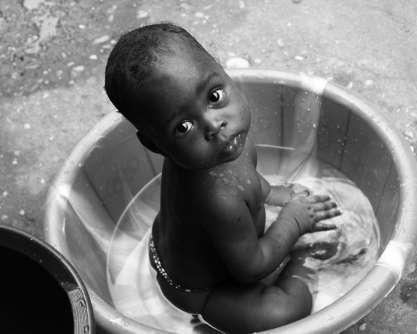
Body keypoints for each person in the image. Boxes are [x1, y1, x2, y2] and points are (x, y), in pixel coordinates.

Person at [104, 23, 341, 333]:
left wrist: (277, 194)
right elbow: (251, 269)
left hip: (183, 242)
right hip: (201, 290)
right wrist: (294, 222)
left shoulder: (222, 146)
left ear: (226, 74)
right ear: (155, 145)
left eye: (214, 96)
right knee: (282, 312)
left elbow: (247, 180)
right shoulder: (217, 199)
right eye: (183, 128)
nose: (214, 126)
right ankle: (300, 264)